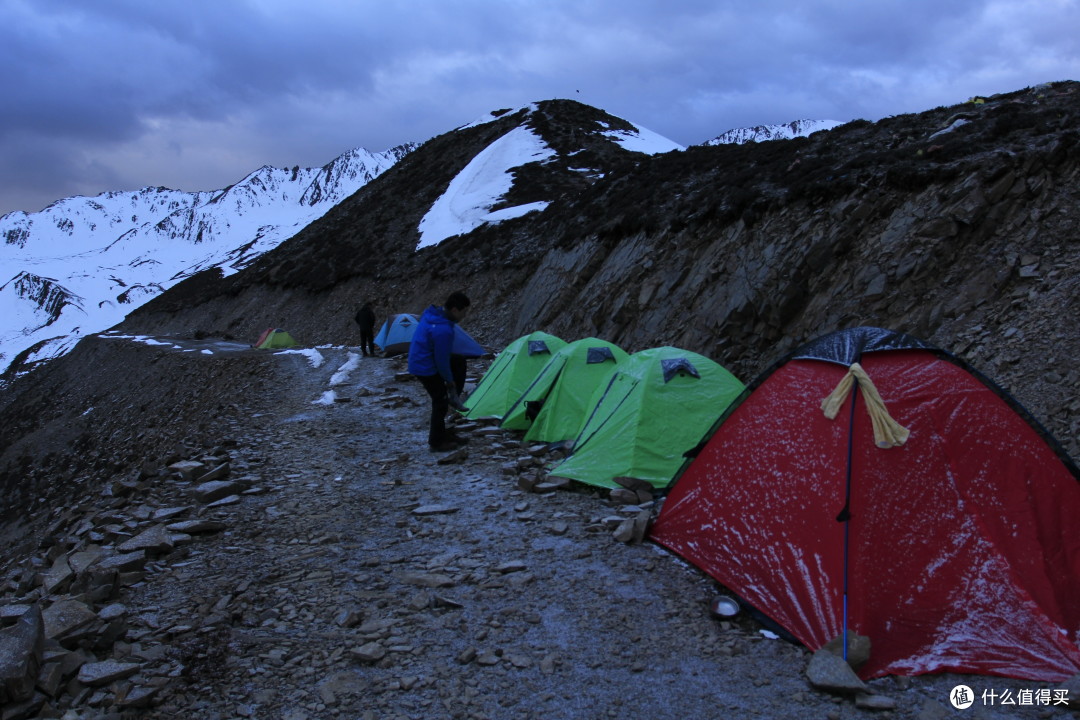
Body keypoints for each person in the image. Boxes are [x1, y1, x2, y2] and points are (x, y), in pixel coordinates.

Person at [408, 291, 471, 451]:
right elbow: (441, 362)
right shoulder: (443, 330)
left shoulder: (433, 314)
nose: (465, 315)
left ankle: (451, 404)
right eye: (464, 311)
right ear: (455, 310)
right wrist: (449, 382)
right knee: (440, 401)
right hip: (424, 366)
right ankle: (436, 442)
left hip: (423, 358)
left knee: (458, 361)